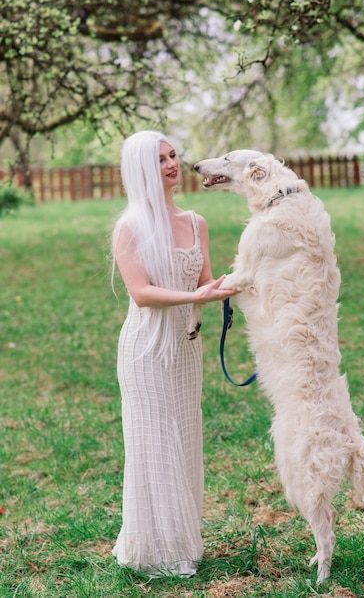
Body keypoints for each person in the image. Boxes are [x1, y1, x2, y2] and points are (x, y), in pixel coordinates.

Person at [111, 130, 236, 577]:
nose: (172, 164)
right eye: (160, 160)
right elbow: (141, 294)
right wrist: (195, 296)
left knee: (184, 440)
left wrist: (239, 282)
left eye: (174, 155)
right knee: (154, 443)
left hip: (186, 348)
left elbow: (205, 281)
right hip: (146, 349)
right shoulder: (130, 227)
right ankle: (154, 550)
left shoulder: (197, 221)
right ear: (142, 170)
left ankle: (182, 540)